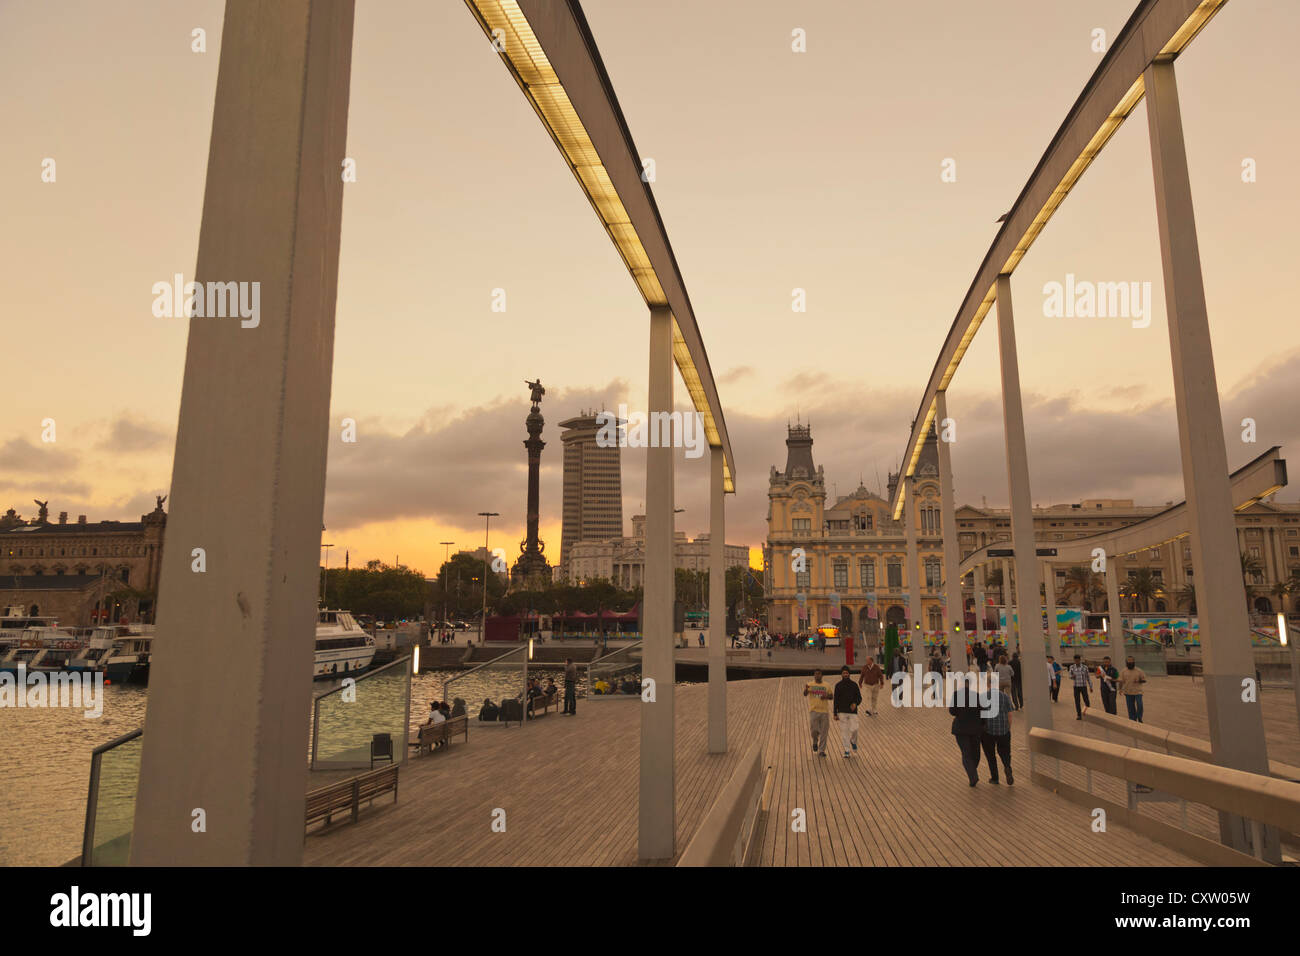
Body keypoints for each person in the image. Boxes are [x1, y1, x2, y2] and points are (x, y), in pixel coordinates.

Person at [980, 680, 1014, 785]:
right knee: (1005, 753)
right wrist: (1008, 727)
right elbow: (1010, 714)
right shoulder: (1005, 696)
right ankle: (1007, 766)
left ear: (988, 684)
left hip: (988, 731)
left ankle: (995, 778)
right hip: (1003, 730)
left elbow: (980, 714)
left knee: (990, 755)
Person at [950, 697, 985, 787]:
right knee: (976, 752)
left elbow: (952, 711)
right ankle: (973, 772)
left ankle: (972, 774)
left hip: (961, 730)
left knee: (966, 753)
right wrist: (983, 724)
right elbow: (982, 711)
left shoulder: (957, 696)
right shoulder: (976, 696)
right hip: (975, 729)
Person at [833, 666, 863, 757]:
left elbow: (859, 698)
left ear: (849, 674)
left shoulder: (854, 685)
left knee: (855, 729)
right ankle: (847, 751)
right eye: (844, 673)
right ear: (841, 674)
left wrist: (855, 703)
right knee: (844, 732)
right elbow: (836, 700)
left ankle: (853, 741)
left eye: (847, 673)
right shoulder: (838, 685)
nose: (845, 674)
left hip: (852, 711)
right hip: (842, 711)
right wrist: (835, 713)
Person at [803, 669, 832, 756]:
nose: (817, 676)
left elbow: (831, 696)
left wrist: (826, 696)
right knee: (814, 730)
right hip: (814, 711)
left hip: (824, 711)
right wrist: (806, 690)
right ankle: (815, 741)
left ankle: (821, 750)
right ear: (814, 675)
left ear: (822, 675)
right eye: (816, 674)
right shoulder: (810, 684)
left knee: (824, 732)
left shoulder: (827, 685)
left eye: (819, 674)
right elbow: (805, 694)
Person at [1116, 656, 1148, 723]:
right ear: (1126, 662)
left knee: (1140, 705)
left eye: (1131, 661)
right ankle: (1132, 720)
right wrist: (1120, 689)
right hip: (1128, 692)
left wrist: (1139, 681)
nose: (1130, 662)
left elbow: (1144, 680)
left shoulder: (1139, 670)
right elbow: (1121, 681)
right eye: (1128, 661)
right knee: (1130, 708)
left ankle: (1139, 717)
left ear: (1134, 662)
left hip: (1138, 692)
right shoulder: (1123, 671)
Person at [1067, 653, 1092, 719]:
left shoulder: (1084, 667)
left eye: (1078, 660)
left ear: (1080, 660)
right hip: (1076, 687)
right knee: (1077, 701)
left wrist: (1090, 686)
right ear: (1074, 660)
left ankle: (1088, 713)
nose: (1077, 661)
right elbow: (1069, 676)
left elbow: (1088, 677)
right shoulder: (1071, 667)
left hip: (1083, 686)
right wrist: (1072, 676)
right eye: (1075, 660)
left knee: (1086, 700)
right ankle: (1079, 715)